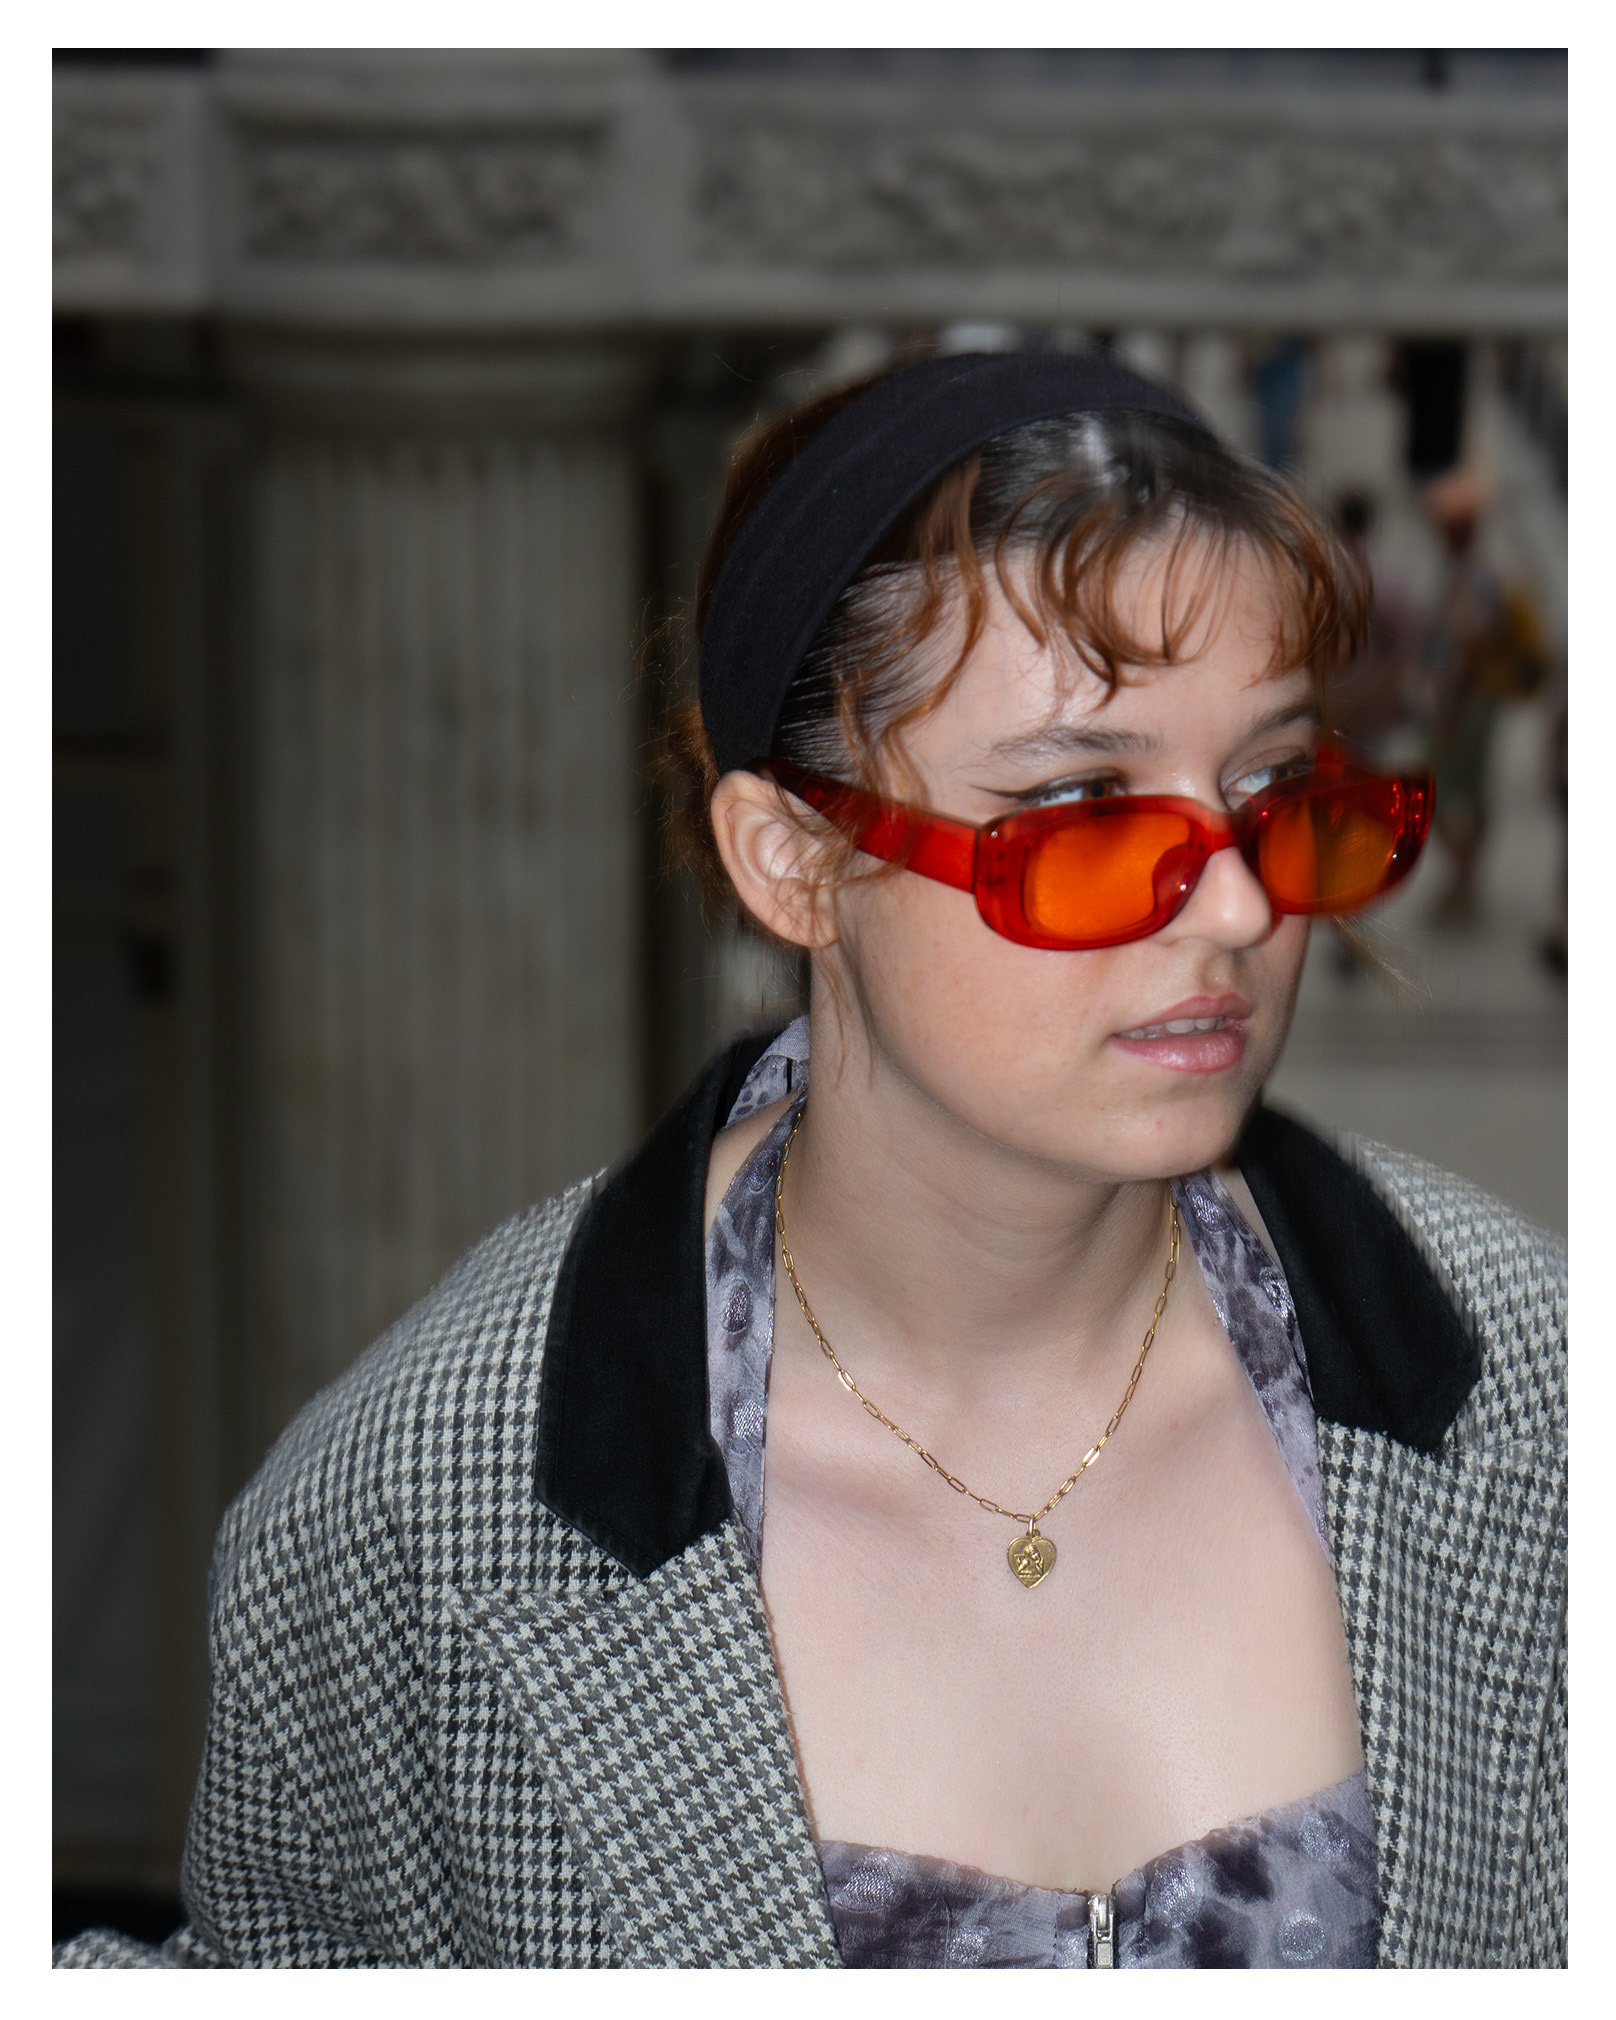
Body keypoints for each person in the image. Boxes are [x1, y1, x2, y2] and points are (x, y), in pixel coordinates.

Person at [55, 350, 1565, 1970]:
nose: (1243, 907)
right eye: (1079, 812)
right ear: (794, 860)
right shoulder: (409, 1517)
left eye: (1274, 789)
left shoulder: (1537, 1381)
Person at [1415, 470, 1549, 927]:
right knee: (1466, 794)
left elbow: (1471, 647)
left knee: (1445, 794)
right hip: (1472, 698)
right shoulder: (1470, 571)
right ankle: (1465, 882)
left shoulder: (1473, 576)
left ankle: (1463, 880)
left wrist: (1450, 707)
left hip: (1466, 701)